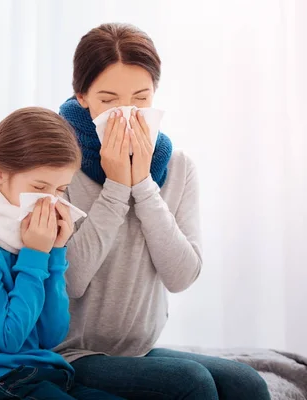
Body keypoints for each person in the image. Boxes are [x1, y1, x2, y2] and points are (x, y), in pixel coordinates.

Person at [57, 23, 271, 400]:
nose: (126, 114)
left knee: (247, 384)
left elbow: (182, 276)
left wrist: (143, 185)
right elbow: (70, 281)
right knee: (191, 383)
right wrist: (117, 187)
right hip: (69, 354)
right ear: (82, 96)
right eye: (108, 100)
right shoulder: (56, 166)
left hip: (136, 350)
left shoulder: (179, 167)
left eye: (140, 99)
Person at [0, 107, 123, 400]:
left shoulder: (33, 234)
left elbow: (51, 336)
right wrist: (36, 254)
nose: (50, 200)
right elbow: (10, 338)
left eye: (60, 189)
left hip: (46, 373)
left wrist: (56, 254)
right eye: (39, 187)